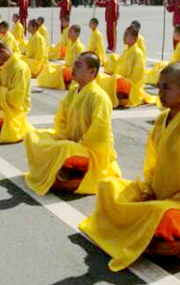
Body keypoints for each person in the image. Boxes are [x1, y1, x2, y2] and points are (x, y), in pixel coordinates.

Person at [80, 63, 180, 271]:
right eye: (159, 87)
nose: (160, 93)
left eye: (166, 87)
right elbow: (152, 165)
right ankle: (139, 227)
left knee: (158, 212)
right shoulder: (162, 120)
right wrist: (149, 190)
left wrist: (167, 200)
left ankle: (138, 228)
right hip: (157, 195)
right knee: (108, 186)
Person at [24, 52, 120, 195]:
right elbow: (61, 119)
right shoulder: (73, 90)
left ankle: (68, 170)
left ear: (92, 72)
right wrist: (63, 135)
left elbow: (100, 133)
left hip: (90, 149)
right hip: (70, 141)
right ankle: (58, 169)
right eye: (74, 65)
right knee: (32, 136)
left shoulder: (99, 97)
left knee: (64, 148)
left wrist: (77, 144)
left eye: (78, 66)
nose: (73, 69)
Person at [97, 26, 156, 108]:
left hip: (131, 83)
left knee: (113, 80)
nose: (126, 38)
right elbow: (119, 66)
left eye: (128, 37)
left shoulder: (137, 53)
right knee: (99, 77)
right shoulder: (126, 51)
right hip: (121, 79)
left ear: (135, 39)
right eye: (126, 36)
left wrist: (125, 79)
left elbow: (138, 75)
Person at [38, 25, 85, 90]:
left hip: (73, 69)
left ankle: (65, 82)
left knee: (57, 72)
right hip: (67, 66)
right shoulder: (70, 43)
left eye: (71, 32)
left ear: (77, 34)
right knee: (48, 67)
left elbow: (80, 63)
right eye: (69, 32)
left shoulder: (79, 46)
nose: (69, 34)